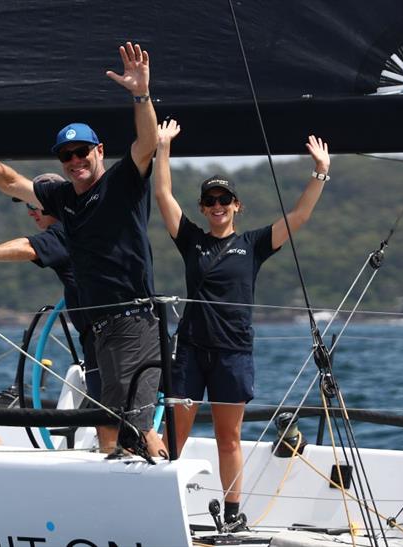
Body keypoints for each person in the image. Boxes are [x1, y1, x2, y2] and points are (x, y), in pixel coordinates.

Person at [0, 41, 162, 456]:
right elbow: (7, 180)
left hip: (133, 320)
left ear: (100, 151)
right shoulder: (62, 199)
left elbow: (146, 143)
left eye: (82, 152)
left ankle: (152, 494)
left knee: (137, 427)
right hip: (98, 328)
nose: (74, 160)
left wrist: (141, 94)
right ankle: (114, 499)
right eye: (66, 155)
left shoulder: (123, 183)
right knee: (111, 423)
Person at [154, 119, 330, 523]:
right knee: (174, 436)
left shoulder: (252, 244)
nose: (217, 206)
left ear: (237, 205)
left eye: (224, 200)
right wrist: (162, 147)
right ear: (202, 207)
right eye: (210, 200)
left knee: (227, 438)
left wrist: (320, 171)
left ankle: (233, 512)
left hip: (233, 352)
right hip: (191, 351)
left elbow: (300, 216)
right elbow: (162, 193)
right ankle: (162, 504)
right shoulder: (192, 241)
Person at [0, 173, 102, 410]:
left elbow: (29, 247)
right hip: (102, 334)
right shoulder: (84, 224)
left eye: (32, 204)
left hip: (104, 337)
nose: (30, 212)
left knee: (109, 411)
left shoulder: (63, 231)